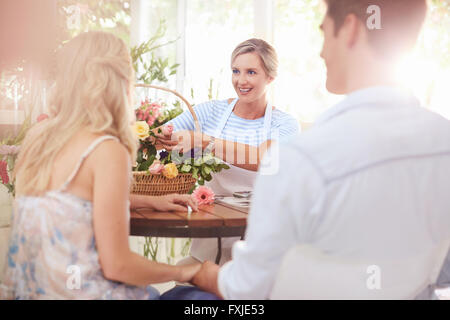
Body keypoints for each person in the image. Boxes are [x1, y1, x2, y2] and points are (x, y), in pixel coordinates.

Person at [188, 0, 450, 299]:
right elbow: (444, 271)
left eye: (324, 33)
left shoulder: (298, 159)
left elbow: (247, 290)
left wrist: (202, 273)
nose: (322, 52)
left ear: (350, 29)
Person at [0, 31, 206, 300]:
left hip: (29, 293)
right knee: (198, 298)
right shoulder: (106, 149)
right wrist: (188, 272)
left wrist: (151, 201)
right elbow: (118, 265)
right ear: (119, 81)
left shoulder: (39, 138)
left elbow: (70, 204)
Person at [156, 38, 300, 265]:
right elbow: (160, 136)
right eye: (236, 71)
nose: (241, 81)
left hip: (262, 238)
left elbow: (265, 159)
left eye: (251, 72)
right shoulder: (210, 112)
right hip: (211, 233)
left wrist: (203, 141)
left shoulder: (285, 124)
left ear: (270, 77)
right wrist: (162, 135)